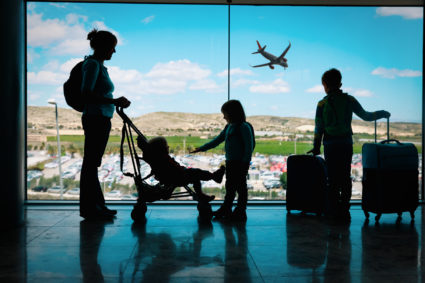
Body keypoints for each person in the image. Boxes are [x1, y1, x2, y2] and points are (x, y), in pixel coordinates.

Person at [308, 68, 390, 222]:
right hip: (346, 144)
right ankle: (345, 211)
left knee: (332, 179)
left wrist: (316, 146)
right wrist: (382, 113)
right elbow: (366, 116)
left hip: (330, 145)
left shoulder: (322, 104)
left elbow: (319, 128)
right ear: (340, 83)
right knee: (345, 177)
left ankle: (333, 212)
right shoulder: (349, 100)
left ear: (325, 85)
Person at [79, 29, 131, 220]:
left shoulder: (97, 65)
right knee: (91, 164)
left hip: (99, 118)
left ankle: (96, 206)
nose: (114, 52)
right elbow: (86, 93)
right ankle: (91, 208)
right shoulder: (92, 65)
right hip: (96, 118)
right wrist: (114, 100)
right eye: (112, 47)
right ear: (102, 47)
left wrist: (113, 102)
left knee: (92, 164)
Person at [191, 100, 255, 221]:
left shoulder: (243, 127)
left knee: (240, 187)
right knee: (231, 187)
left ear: (232, 113)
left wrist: (245, 164)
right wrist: (202, 148)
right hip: (231, 162)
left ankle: (239, 211)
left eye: (225, 113)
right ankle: (229, 209)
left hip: (240, 163)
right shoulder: (229, 127)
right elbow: (217, 140)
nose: (223, 116)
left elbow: (248, 148)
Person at [141, 136, 225, 202]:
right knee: (196, 173)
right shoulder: (163, 159)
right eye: (166, 146)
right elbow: (174, 170)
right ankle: (213, 177)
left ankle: (201, 194)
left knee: (195, 176)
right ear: (161, 149)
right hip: (177, 177)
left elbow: (147, 156)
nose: (168, 147)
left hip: (175, 176)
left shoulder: (158, 158)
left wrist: (143, 146)